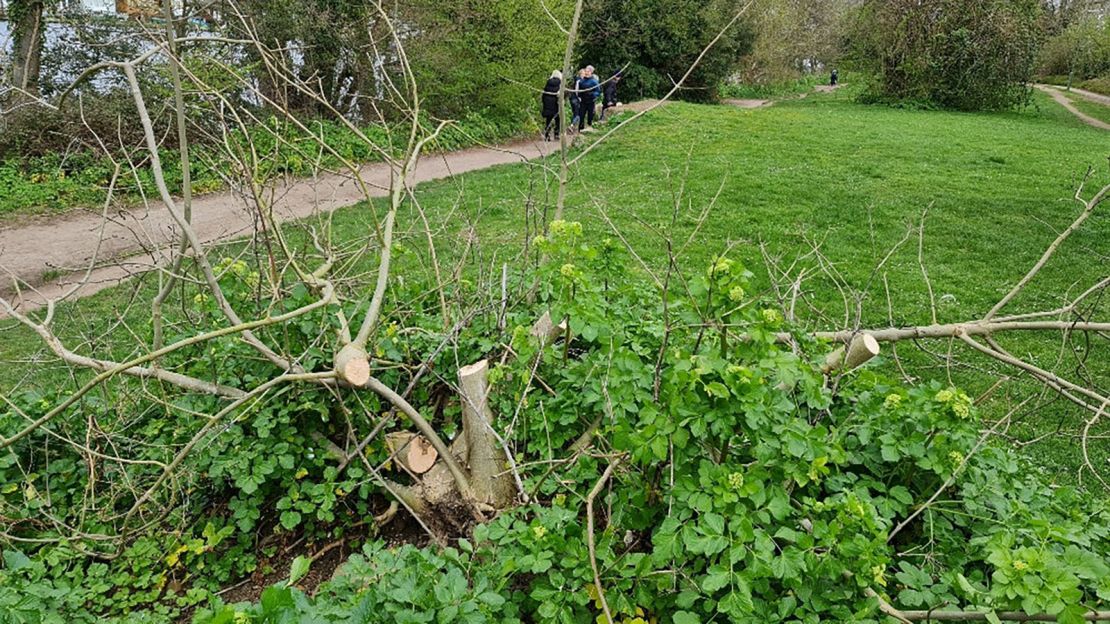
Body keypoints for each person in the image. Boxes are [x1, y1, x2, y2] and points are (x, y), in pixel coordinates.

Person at [577, 65, 601, 132]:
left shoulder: (594, 81)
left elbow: (598, 91)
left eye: (588, 71)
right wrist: (580, 95)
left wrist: (592, 94)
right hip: (583, 101)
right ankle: (580, 129)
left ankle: (589, 127)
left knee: (590, 115)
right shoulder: (581, 81)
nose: (586, 73)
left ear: (591, 72)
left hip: (590, 101)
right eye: (586, 71)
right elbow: (579, 91)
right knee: (581, 115)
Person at [541, 70, 562, 141]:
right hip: (556, 103)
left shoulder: (548, 82)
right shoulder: (560, 84)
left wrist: (544, 103)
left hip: (548, 103)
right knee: (557, 119)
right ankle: (556, 134)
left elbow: (544, 94)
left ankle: (547, 135)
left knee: (549, 119)